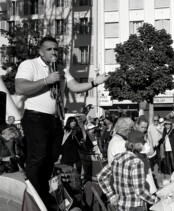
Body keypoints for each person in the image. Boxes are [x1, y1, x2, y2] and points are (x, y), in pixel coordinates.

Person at [15, 36, 109, 206]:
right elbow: (20, 88)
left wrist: (95, 82)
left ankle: (43, 193)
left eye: (56, 49)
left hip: (55, 118)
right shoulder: (30, 65)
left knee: (51, 158)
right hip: (36, 117)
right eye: (49, 49)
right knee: (38, 158)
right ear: (40, 51)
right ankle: (35, 197)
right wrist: (46, 80)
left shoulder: (61, 70)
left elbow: (75, 88)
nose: (53, 52)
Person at [98, 131, 160, 211]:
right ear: (139, 144)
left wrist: (111, 195)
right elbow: (140, 192)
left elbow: (101, 177)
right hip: (135, 206)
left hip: (121, 205)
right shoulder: (137, 162)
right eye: (143, 143)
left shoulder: (117, 157)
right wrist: (155, 200)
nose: (144, 145)